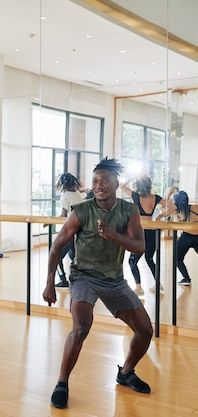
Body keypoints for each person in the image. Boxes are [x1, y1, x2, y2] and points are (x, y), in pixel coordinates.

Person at [43, 158, 153, 409]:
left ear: (116, 183)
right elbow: (58, 245)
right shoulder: (82, 211)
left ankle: (125, 373)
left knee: (145, 330)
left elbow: (140, 246)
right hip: (84, 277)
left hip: (114, 280)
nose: (99, 185)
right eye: (95, 181)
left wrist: (115, 236)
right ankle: (62, 383)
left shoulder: (129, 211)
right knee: (81, 327)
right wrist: (50, 282)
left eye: (104, 180)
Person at [119, 175, 166, 295]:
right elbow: (172, 206)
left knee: (132, 261)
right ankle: (157, 283)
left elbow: (121, 186)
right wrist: (160, 216)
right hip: (153, 230)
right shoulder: (156, 198)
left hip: (141, 231)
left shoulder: (136, 196)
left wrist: (132, 177)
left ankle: (139, 287)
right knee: (149, 259)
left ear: (139, 186)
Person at [53, 173, 83, 288]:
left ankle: (63, 279)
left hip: (70, 230)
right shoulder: (77, 194)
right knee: (74, 256)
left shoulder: (65, 196)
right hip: (79, 229)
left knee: (56, 255)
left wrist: (48, 221)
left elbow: (63, 215)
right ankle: (78, 279)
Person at [166, 190, 197, 286]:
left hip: (186, 236)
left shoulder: (178, 210)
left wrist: (168, 195)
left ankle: (186, 278)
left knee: (177, 258)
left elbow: (165, 210)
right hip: (195, 237)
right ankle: (186, 278)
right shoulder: (195, 207)